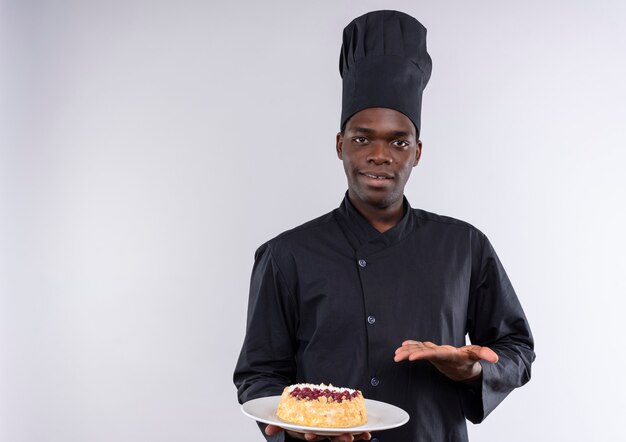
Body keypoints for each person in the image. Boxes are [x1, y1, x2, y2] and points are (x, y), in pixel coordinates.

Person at [234, 10, 535, 442]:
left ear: (417, 151)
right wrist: (292, 428)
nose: (380, 154)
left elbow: (516, 349)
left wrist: (474, 368)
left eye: (398, 141)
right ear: (340, 145)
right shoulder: (286, 256)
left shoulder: (464, 247)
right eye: (362, 138)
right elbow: (260, 374)